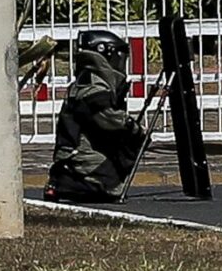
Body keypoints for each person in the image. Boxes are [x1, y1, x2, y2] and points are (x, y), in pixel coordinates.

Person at [43, 30, 146, 203]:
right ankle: (64, 184)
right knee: (110, 187)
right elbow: (108, 118)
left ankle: (66, 178)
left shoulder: (89, 79)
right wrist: (135, 128)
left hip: (76, 150)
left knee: (112, 181)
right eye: (119, 57)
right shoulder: (94, 86)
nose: (120, 63)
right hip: (78, 153)